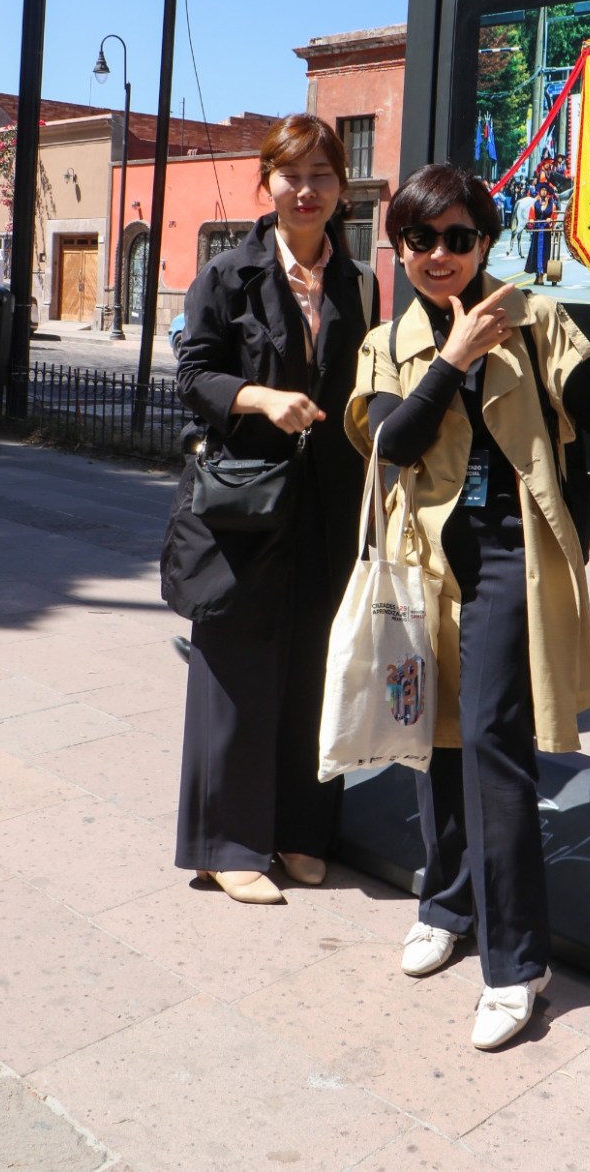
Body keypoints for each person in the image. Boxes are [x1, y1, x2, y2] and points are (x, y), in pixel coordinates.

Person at [345, 163, 590, 1049]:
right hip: (421, 563)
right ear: (400, 246)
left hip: (506, 557)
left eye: (458, 237)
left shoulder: (536, 320)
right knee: (432, 738)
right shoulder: (389, 343)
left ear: (486, 240)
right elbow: (391, 442)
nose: (440, 255)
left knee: (490, 742)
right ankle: (446, 903)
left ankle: (515, 963)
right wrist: (452, 358)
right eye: (422, 239)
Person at [161, 114, 379, 904]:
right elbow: (192, 376)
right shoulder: (229, 274)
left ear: (340, 189)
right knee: (237, 669)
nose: (308, 189)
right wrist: (258, 397)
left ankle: (298, 832)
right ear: (269, 183)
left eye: (323, 174)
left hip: (328, 504)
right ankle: (225, 843)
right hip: (244, 504)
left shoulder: (359, 282)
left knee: (318, 669)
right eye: (293, 175)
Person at [524, 181, 555, 284]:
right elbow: (531, 215)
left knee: (544, 253)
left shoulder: (552, 205)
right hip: (537, 231)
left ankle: (541, 273)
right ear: (539, 191)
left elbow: (553, 216)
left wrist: (550, 220)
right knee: (535, 252)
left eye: (545, 190)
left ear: (547, 193)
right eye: (542, 190)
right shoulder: (535, 204)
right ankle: (537, 274)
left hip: (545, 231)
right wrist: (532, 220)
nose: (543, 192)